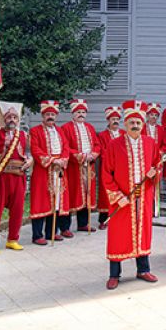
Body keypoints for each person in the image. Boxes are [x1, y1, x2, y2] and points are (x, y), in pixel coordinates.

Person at [102, 100, 160, 290]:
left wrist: (154, 173)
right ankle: (114, 273)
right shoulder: (113, 144)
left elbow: (157, 165)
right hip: (122, 197)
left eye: (138, 123)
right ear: (125, 124)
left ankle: (143, 269)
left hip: (143, 196)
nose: (135, 126)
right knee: (118, 234)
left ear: (143, 124)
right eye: (131, 123)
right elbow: (106, 173)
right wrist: (118, 196)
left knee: (142, 232)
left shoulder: (150, 143)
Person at [0, 101, 33, 255]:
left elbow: (30, 154)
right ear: (4, 119)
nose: (12, 119)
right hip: (0, 177)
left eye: (15, 117)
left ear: (18, 120)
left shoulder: (24, 135)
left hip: (18, 177)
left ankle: (13, 240)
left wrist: (30, 161)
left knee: (18, 210)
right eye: (9, 117)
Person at [29, 100, 70, 245]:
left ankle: (52, 232)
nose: (50, 117)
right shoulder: (35, 131)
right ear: (43, 116)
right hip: (43, 171)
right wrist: (52, 161)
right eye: (47, 114)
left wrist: (64, 159)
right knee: (41, 202)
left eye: (52, 114)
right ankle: (37, 235)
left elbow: (66, 147)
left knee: (57, 202)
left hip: (59, 171)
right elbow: (35, 150)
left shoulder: (60, 131)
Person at [60, 98, 101, 234]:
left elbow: (97, 144)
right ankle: (65, 227)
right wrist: (81, 156)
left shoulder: (90, 128)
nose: (81, 114)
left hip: (88, 166)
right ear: (73, 113)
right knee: (71, 195)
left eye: (83, 111)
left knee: (87, 194)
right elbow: (65, 147)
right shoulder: (65, 128)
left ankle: (83, 224)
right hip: (74, 168)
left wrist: (94, 155)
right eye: (78, 111)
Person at [97, 106, 124, 229]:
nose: (115, 121)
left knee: (121, 192)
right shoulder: (102, 135)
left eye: (117, 118)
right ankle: (104, 219)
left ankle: (119, 217)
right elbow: (102, 151)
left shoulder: (124, 134)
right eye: (113, 119)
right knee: (106, 194)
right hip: (108, 168)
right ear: (108, 120)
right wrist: (112, 162)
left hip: (122, 169)